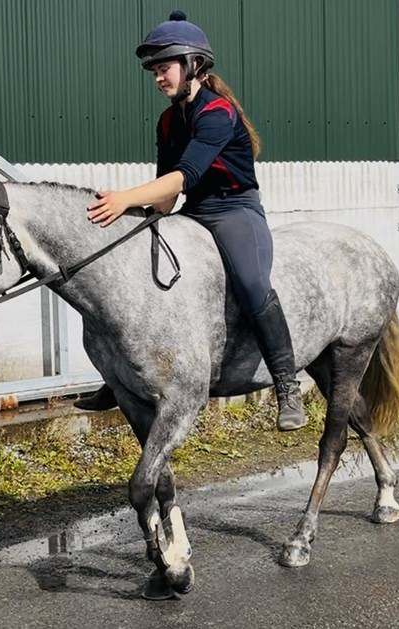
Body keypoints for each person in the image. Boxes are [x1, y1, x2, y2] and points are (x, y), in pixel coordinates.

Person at [77, 10, 305, 430]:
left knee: (254, 285)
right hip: (194, 211)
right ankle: (119, 374)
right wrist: (134, 215)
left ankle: (288, 386)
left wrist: (125, 196)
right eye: (154, 71)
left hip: (235, 210)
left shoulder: (218, 112)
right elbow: (167, 193)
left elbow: (185, 177)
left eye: (164, 68)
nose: (158, 78)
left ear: (193, 65)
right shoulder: (167, 121)